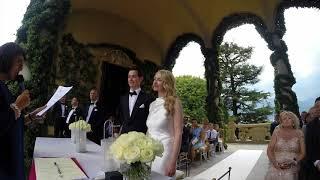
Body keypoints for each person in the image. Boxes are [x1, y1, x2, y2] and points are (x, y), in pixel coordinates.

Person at [0, 42, 45, 179]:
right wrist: (18, 106)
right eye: (18, 61)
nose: (21, 67)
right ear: (5, 59)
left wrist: (31, 116)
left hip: (13, 162)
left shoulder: (4, 88)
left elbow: (9, 122)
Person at [146, 70, 183, 177]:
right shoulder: (152, 104)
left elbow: (178, 133)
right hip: (149, 152)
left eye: (159, 80)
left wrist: (173, 162)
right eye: (154, 79)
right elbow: (149, 130)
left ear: (166, 83)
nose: (155, 82)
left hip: (165, 152)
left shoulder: (175, 102)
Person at [265, 111, 305, 180]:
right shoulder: (276, 132)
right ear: (281, 121)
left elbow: (303, 153)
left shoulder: (299, 133)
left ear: (293, 121)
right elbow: (269, 149)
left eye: (289, 118)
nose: (286, 120)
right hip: (276, 165)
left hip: (292, 166)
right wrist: (275, 163)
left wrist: (293, 161)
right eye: (284, 119)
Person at [119, 67, 154, 134]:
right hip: (124, 137)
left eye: (133, 76)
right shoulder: (123, 98)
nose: (130, 79)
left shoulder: (148, 98)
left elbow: (150, 120)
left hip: (140, 138)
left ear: (141, 79)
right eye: (129, 77)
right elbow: (121, 117)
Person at [303, 97, 320, 179]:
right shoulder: (310, 126)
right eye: (316, 106)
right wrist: (317, 162)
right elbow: (309, 146)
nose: (317, 109)